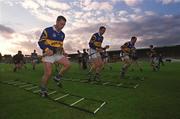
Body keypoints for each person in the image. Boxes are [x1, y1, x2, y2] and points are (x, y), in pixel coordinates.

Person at [38, 15, 71, 97]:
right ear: (56, 22)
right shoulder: (47, 30)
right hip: (48, 55)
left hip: (57, 54)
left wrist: (64, 52)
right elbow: (40, 42)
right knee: (48, 74)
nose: (62, 26)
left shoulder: (62, 34)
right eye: (61, 24)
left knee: (68, 64)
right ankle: (43, 89)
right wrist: (46, 50)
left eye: (64, 25)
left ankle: (57, 77)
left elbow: (60, 46)